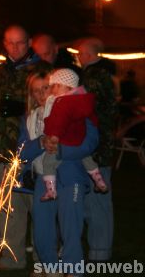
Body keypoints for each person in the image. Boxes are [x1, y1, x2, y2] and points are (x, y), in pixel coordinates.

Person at [17, 70, 99, 277]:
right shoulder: (30, 119)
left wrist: (62, 150)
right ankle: (50, 266)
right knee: (42, 226)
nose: (42, 94)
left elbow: (90, 142)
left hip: (71, 176)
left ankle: (73, 270)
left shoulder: (75, 109)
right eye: (36, 91)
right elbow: (22, 152)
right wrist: (40, 143)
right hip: (42, 178)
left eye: (46, 87)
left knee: (70, 225)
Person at [0, 25, 40, 270]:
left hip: (36, 152)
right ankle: (11, 259)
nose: (15, 48)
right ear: (4, 44)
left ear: (29, 42)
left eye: (20, 43)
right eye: (10, 43)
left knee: (40, 209)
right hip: (4, 150)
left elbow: (53, 104)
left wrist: (23, 108)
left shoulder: (41, 70)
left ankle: (43, 260)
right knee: (7, 208)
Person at [77, 37, 117, 263]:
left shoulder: (93, 77)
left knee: (97, 200)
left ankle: (100, 252)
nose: (78, 58)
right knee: (96, 200)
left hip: (95, 149)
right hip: (101, 146)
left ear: (89, 55)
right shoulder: (106, 75)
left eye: (81, 54)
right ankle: (99, 250)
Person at [40, 68, 107, 201]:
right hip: (80, 140)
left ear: (61, 85)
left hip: (65, 141)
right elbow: (93, 121)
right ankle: (99, 181)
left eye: (53, 86)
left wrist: (53, 136)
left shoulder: (62, 102)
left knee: (47, 161)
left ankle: (51, 190)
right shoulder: (82, 101)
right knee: (86, 158)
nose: (52, 90)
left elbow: (58, 121)